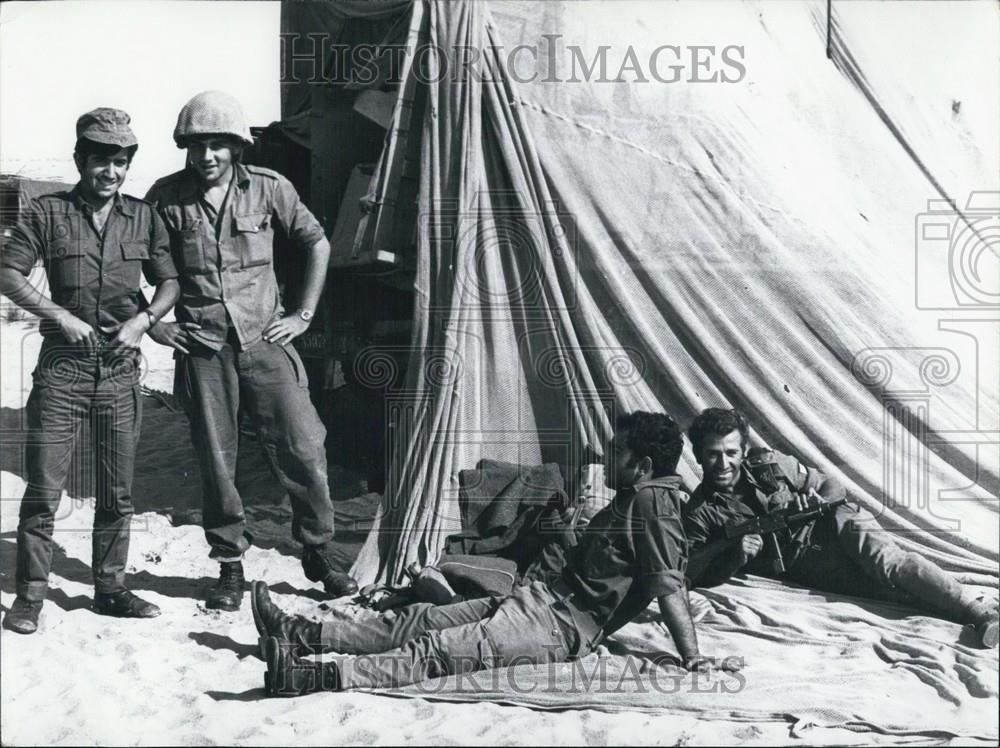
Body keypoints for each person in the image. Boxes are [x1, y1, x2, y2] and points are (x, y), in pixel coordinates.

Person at [250, 411, 739, 696]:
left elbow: (668, 585)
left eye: (617, 454)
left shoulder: (656, 503)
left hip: (559, 626)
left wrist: (692, 658)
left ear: (644, 465)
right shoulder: (638, 496)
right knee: (419, 619)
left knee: (437, 651)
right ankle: (303, 633)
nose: (607, 459)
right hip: (539, 601)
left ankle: (315, 675)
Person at [143, 91, 356, 610]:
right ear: (185, 149)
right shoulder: (163, 199)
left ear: (237, 147)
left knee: (304, 445)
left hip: (264, 339)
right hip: (203, 348)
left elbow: (317, 243)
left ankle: (318, 550)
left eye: (218, 145)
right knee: (217, 461)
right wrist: (155, 325)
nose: (207, 156)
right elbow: (131, 263)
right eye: (197, 146)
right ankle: (229, 565)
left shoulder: (268, 189)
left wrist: (302, 315)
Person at [1, 108, 180, 634]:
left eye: (121, 161)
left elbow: (169, 283)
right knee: (44, 488)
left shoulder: (144, 218)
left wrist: (145, 321)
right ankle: (31, 595)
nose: (111, 171)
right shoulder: (47, 212)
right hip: (62, 371)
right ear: (81, 159)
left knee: (117, 491)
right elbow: (8, 271)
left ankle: (110, 588)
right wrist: (58, 315)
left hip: (122, 372)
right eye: (101, 159)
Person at [683, 407, 999, 648]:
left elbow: (834, 487)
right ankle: (968, 612)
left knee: (888, 564)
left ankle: (977, 613)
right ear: (697, 455)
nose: (723, 464)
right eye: (712, 454)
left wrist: (814, 501)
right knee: (889, 595)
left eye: (731, 453)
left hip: (837, 523)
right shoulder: (699, 512)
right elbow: (690, 573)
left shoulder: (769, 463)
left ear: (742, 451)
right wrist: (734, 557)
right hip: (809, 564)